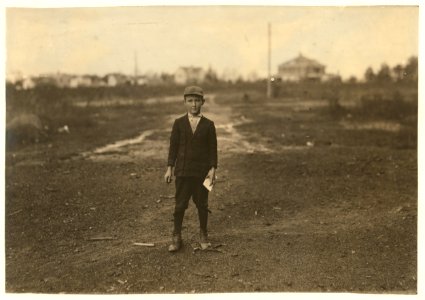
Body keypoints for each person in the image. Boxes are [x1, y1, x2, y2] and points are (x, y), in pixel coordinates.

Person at [164, 86, 218, 252]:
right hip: (183, 172)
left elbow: (212, 149)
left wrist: (213, 169)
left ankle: (203, 234)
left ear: (203, 102)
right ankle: (176, 236)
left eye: (197, 101)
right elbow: (173, 148)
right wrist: (169, 168)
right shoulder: (179, 123)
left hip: (203, 173)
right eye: (190, 101)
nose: (194, 104)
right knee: (180, 205)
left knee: (202, 204)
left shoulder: (209, 125)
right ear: (185, 102)